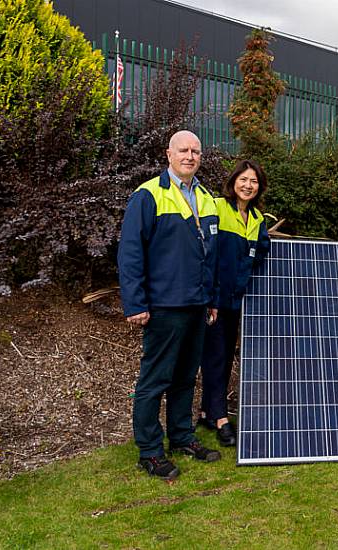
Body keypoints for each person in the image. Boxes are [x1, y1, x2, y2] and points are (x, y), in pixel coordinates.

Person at [118, 130, 222, 480]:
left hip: (197, 305)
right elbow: (130, 252)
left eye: (195, 151)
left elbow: (211, 255)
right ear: (168, 154)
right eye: (183, 150)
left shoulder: (206, 198)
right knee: (155, 379)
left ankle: (182, 437)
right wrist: (135, 303)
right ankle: (149, 451)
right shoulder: (148, 195)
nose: (190, 156)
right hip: (163, 306)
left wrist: (210, 299)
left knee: (185, 378)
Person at [198, 160, 271, 446]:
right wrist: (210, 298)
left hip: (236, 301)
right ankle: (220, 418)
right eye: (243, 179)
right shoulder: (217, 207)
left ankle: (207, 411)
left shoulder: (256, 219)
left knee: (224, 354)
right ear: (233, 181)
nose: (248, 185)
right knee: (216, 355)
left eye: (253, 181)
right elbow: (206, 253)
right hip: (214, 299)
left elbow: (262, 250)